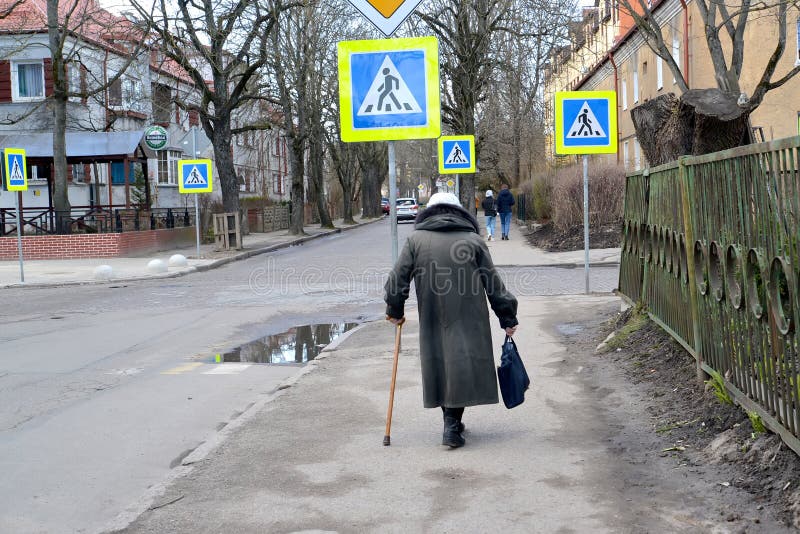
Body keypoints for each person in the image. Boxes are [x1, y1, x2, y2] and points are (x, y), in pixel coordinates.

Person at [384, 192, 519, 448]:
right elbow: (493, 284)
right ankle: (452, 424)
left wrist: (396, 309)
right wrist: (507, 316)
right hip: (470, 316)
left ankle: (451, 422)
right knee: (461, 366)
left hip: (433, 314)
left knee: (440, 364)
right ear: (459, 212)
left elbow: (397, 280)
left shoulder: (416, 240)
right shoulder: (472, 239)